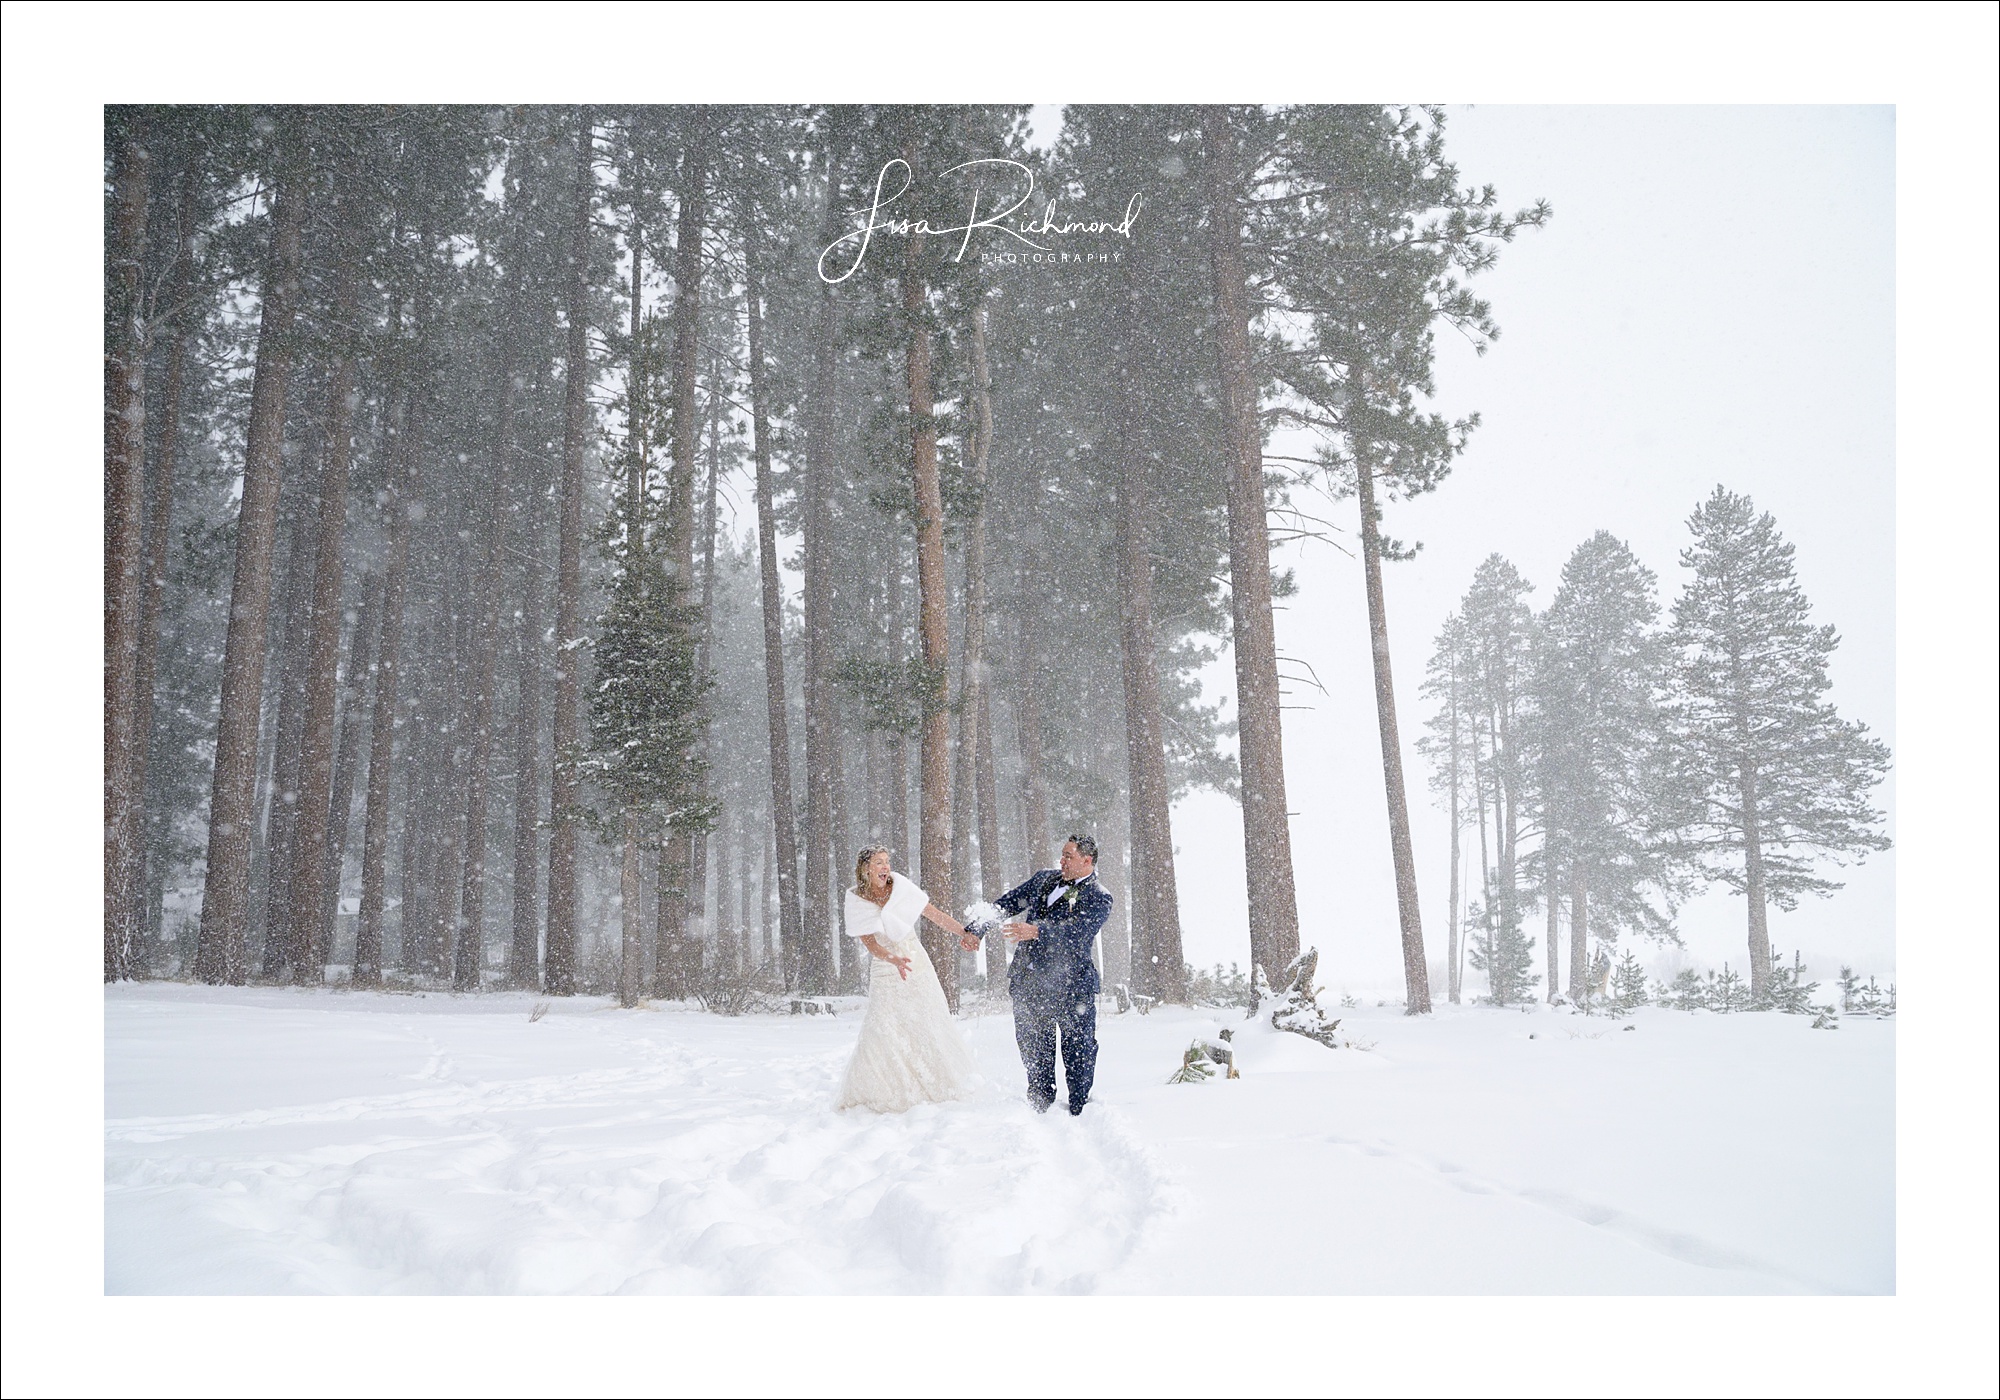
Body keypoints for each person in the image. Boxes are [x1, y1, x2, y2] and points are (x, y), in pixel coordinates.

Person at [961, 836, 1111, 1115]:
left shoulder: (1099, 896)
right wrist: (977, 928)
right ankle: (1040, 1105)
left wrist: (1038, 931)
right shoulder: (1044, 879)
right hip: (1030, 981)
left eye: (1068, 856)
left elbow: (1079, 933)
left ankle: (1079, 1107)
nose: (1062, 861)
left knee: (1079, 1049)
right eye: (1062, 855)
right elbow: (1007, 904)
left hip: (1072, 986)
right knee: (1034, 1045)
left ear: (1087, 861)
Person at [834, 846, 980, 1113]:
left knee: (926, 1018)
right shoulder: (857, 900)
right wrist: (892, 959)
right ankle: (882, 1091)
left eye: (887, 861)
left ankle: (936, 1083)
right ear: (866, 867)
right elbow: (871, 945)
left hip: (915, 962)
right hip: (885, 968)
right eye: (879, 862)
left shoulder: (900, 887)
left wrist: (963, 933)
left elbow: (934, 913)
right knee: (883, 1024)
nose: (885, 867)